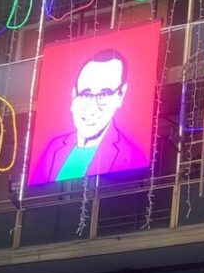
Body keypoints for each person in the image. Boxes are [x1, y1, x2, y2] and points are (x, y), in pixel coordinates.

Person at [30, 49, 145, 184]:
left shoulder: (130, 156)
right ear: (74, 97)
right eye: (85, 94)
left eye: (104, 95)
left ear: (120, 96)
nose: (92, 108)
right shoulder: (54, 147)